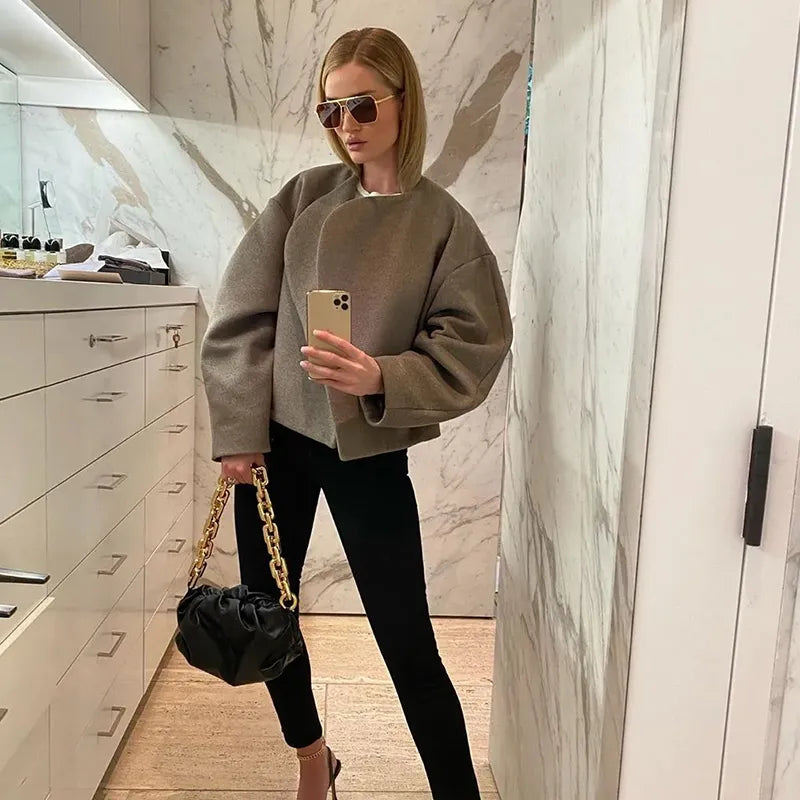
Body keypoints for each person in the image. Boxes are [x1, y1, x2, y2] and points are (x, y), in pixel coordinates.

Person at [201, 26, 513, 800]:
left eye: (363, 105)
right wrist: (239, 432)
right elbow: (241, 316)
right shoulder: (304, 197)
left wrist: (383, 375)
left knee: (407, 640)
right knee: (270, 618)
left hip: (368, 449)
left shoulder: (442, 223)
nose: (347, 125)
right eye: (330, 110)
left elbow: (475, 341)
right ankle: (313, 757)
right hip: (276, 444)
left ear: (404, 101)